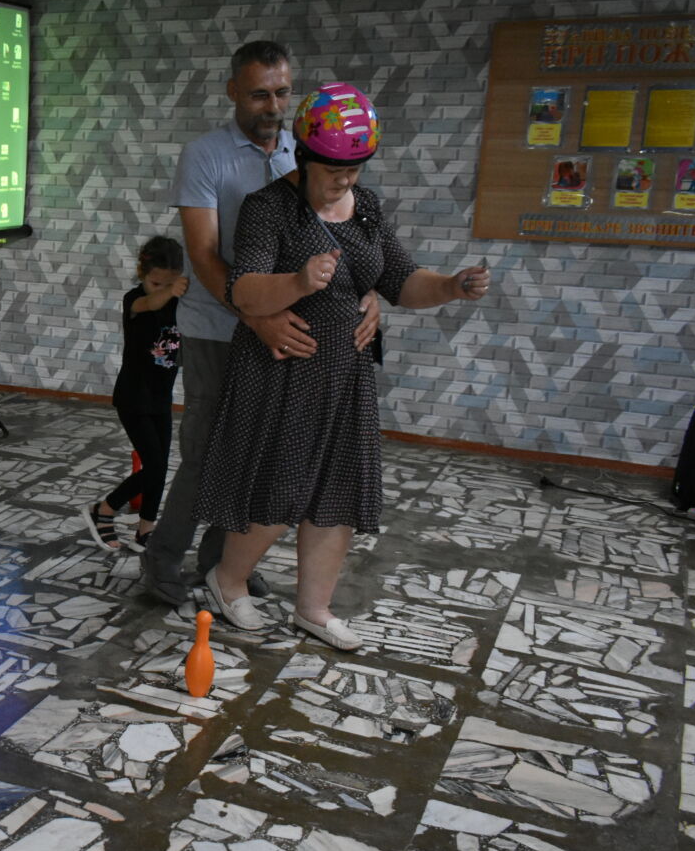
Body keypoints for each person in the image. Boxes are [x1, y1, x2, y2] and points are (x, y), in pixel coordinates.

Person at [196, 82, 492, 650]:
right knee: (280, 487)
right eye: (334, 169)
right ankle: (227, 582)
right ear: (305, 156)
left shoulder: (367, 208)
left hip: (345, 376)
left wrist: (451, 286)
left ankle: (314, 608)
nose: (345, 180)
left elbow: (401, 279)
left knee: (338, 493)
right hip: (282, 373)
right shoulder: (269, 208)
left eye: (355, 168)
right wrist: (298, 281)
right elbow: (244, 289)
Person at [140, 40, 380, 606]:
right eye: (258, 95)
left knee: (256, 454)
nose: (272, 106)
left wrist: (369, 292)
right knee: (207, 451)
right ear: (233, 92)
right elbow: (204, 256)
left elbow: (345, 232)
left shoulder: (306, 149)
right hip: (218, 329)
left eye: (281, 93)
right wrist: (257, 317)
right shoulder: (206, 156)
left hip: (287, 334)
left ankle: (223, 565)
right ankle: (161, 560)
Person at [81, 237, 188, 552]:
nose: (161, 289)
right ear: (142, 273)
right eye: (156, 283)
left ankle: (145, 529)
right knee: (154, 465)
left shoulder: (180, 302)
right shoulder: (135, 300)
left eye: (168, 283)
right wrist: (171, 289)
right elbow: (150, 303)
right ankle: (104, 509)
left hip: (161, 398)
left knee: (160, 466)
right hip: (133, 397)